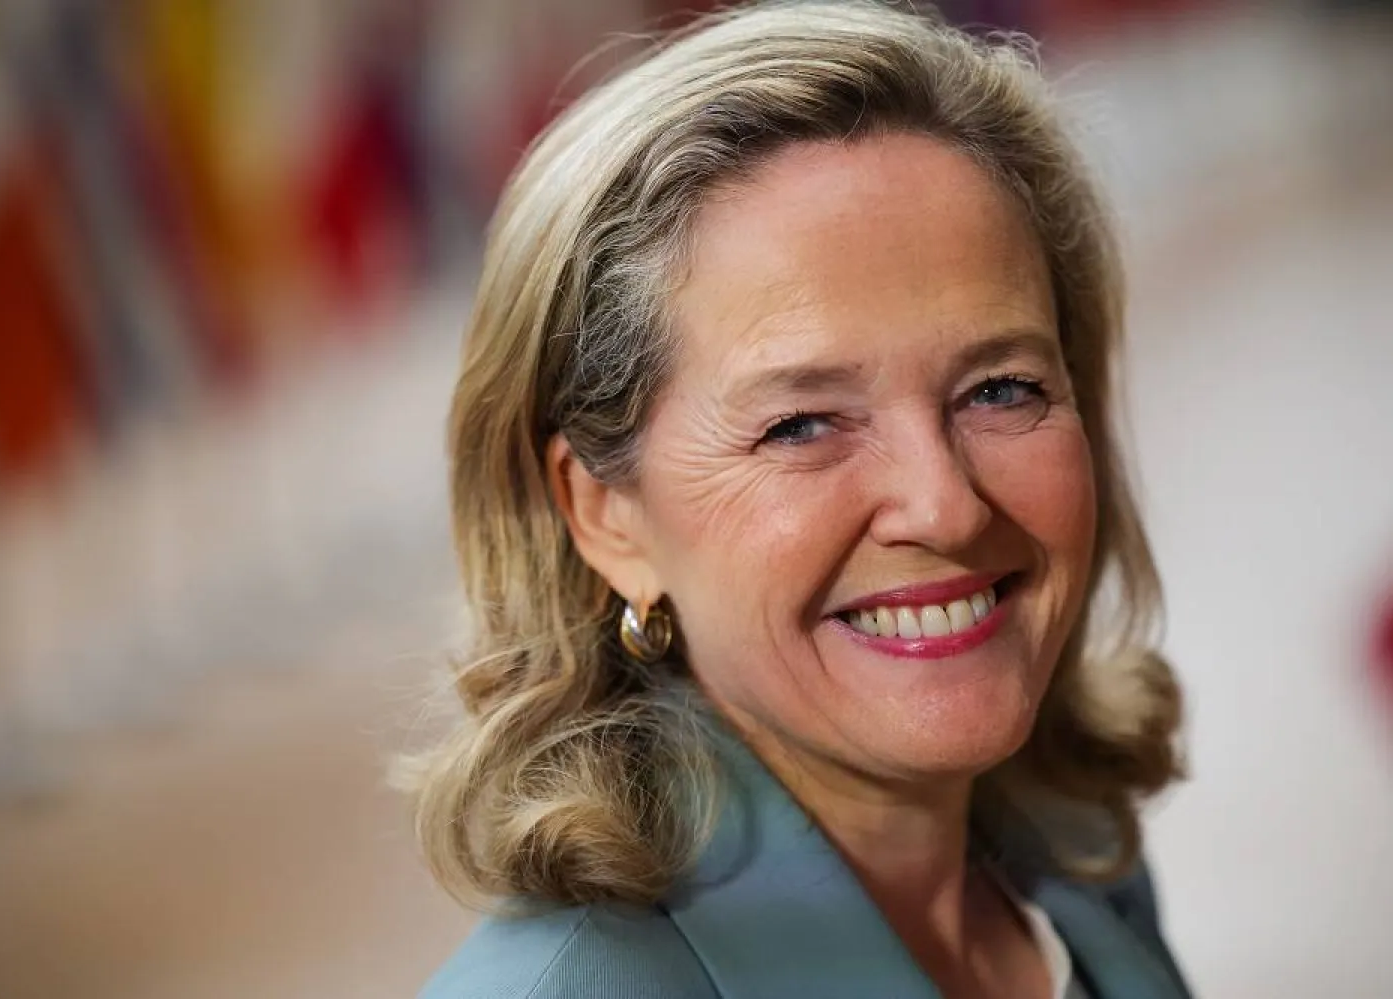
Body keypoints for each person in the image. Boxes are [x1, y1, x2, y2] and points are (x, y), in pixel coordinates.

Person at [412, 2, 1191, 996]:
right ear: (605, 515)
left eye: (1001, 389)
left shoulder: (1078, 861)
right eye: (801, 425)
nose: (945, 508)